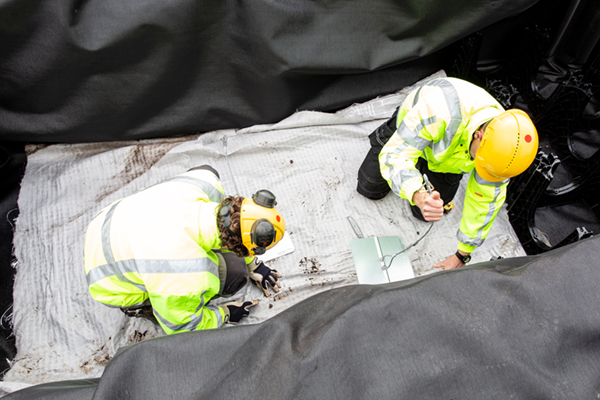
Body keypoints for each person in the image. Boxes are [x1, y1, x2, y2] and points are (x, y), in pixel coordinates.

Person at [357, 77, 538, 270]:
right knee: (370, 186)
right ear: (479, 134)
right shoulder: (438, 111)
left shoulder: (503, 151)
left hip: (447, 159)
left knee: (426, 213)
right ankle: (413, 162)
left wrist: (463, 254)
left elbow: (485, 200)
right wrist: (417, 193)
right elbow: (395, 155)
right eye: (480, 161)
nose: (479, 168)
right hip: (411, 129)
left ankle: (417, 167)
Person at [84, 165, 286, 334]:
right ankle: (144, 308)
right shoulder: (185, 273)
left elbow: (237, 226)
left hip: (105, 223)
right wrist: (223, 314)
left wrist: (254, 264)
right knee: (235, 274)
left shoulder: (204, 181)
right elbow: (183, 326)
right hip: (107, 282)